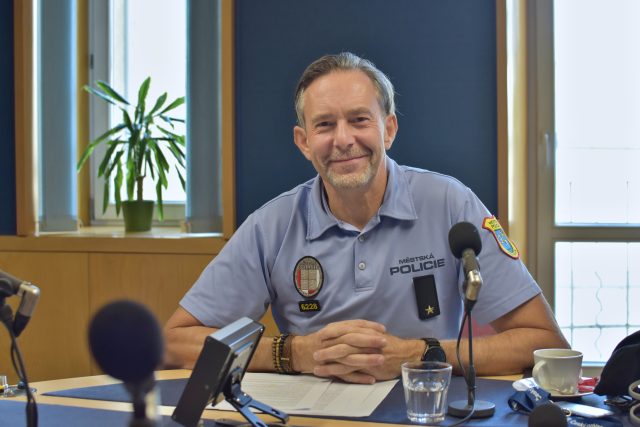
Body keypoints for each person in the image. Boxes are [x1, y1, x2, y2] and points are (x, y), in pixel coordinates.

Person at [164, 52, 569, 384]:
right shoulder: (271, 225)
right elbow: (174, 342)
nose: (343, 140)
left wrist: (418, 354)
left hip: (423, 410)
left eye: (359, 119)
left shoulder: (450, 202)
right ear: (303, 142)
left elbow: (543, 341)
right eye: (324, 125)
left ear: (388, 129)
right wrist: (296, 353)